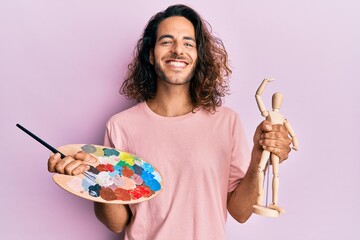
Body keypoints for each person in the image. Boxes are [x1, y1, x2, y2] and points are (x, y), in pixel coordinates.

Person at [48, 4, 292, 240]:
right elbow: (117, 222)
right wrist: (90, 178)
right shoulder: (121, 126)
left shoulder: (226, 122)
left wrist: (259, 157)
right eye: (166, 41)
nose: (178, 50)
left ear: (198, 57)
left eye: (188, 43)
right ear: (151, 55)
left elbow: (240, 212)